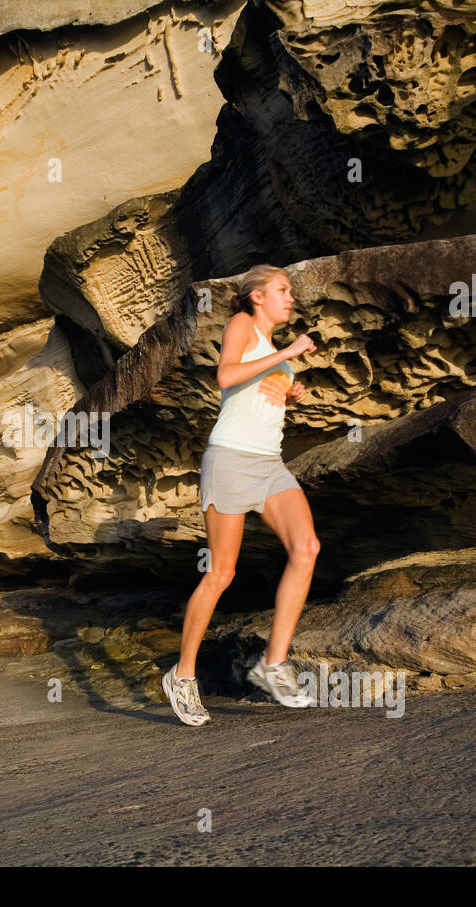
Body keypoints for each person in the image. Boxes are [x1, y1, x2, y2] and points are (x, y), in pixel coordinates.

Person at [162, 265, 320, 726]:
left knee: (306, 548)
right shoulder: (242, 325)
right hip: (230, 461)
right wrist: (288, 352)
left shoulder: (277, 352)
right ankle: (184, 676)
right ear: (256, 297)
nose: (290, 298)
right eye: (282, 290)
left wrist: (290, 395)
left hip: (269, 465)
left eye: (290, 291)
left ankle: (273, 663)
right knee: (222, 572)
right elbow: (226, 376)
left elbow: (255, 393)